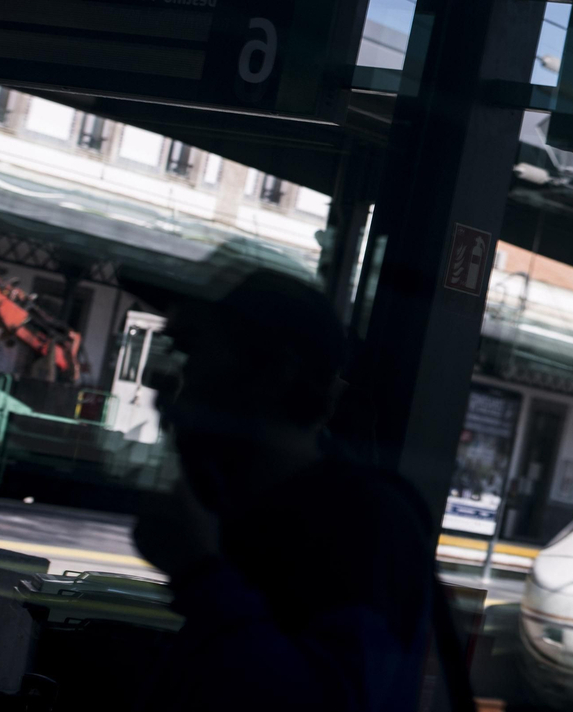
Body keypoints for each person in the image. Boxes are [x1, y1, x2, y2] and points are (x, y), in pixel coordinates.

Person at [131, 268, 473, 712]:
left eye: (193, 352)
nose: (170, 382)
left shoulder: (365, 524)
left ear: (273, 371)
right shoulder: (255, 513)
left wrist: (199, 576)